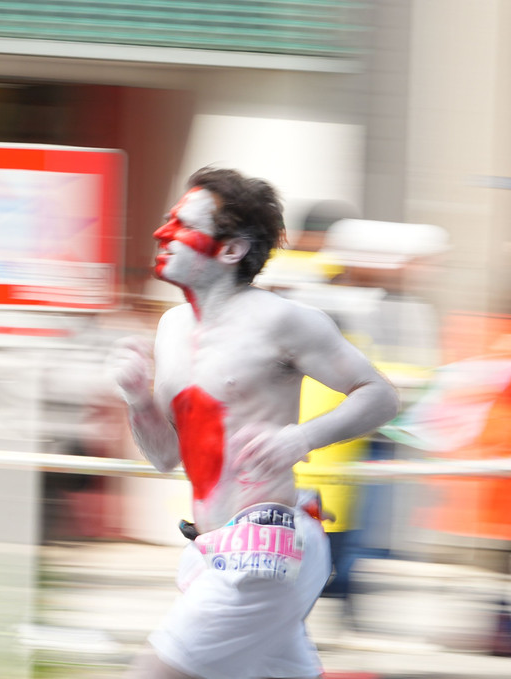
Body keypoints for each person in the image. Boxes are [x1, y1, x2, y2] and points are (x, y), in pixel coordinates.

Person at [110, 167, 399, 679]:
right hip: (211, 550)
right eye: (167, 219)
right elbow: (164, 457)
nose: (162, 233)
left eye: (182, 224)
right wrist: (138, 400)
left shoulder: (283, 320)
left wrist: (301, 437)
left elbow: (380, 395)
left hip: (263, 549)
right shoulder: (171, 327)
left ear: (231, 250)